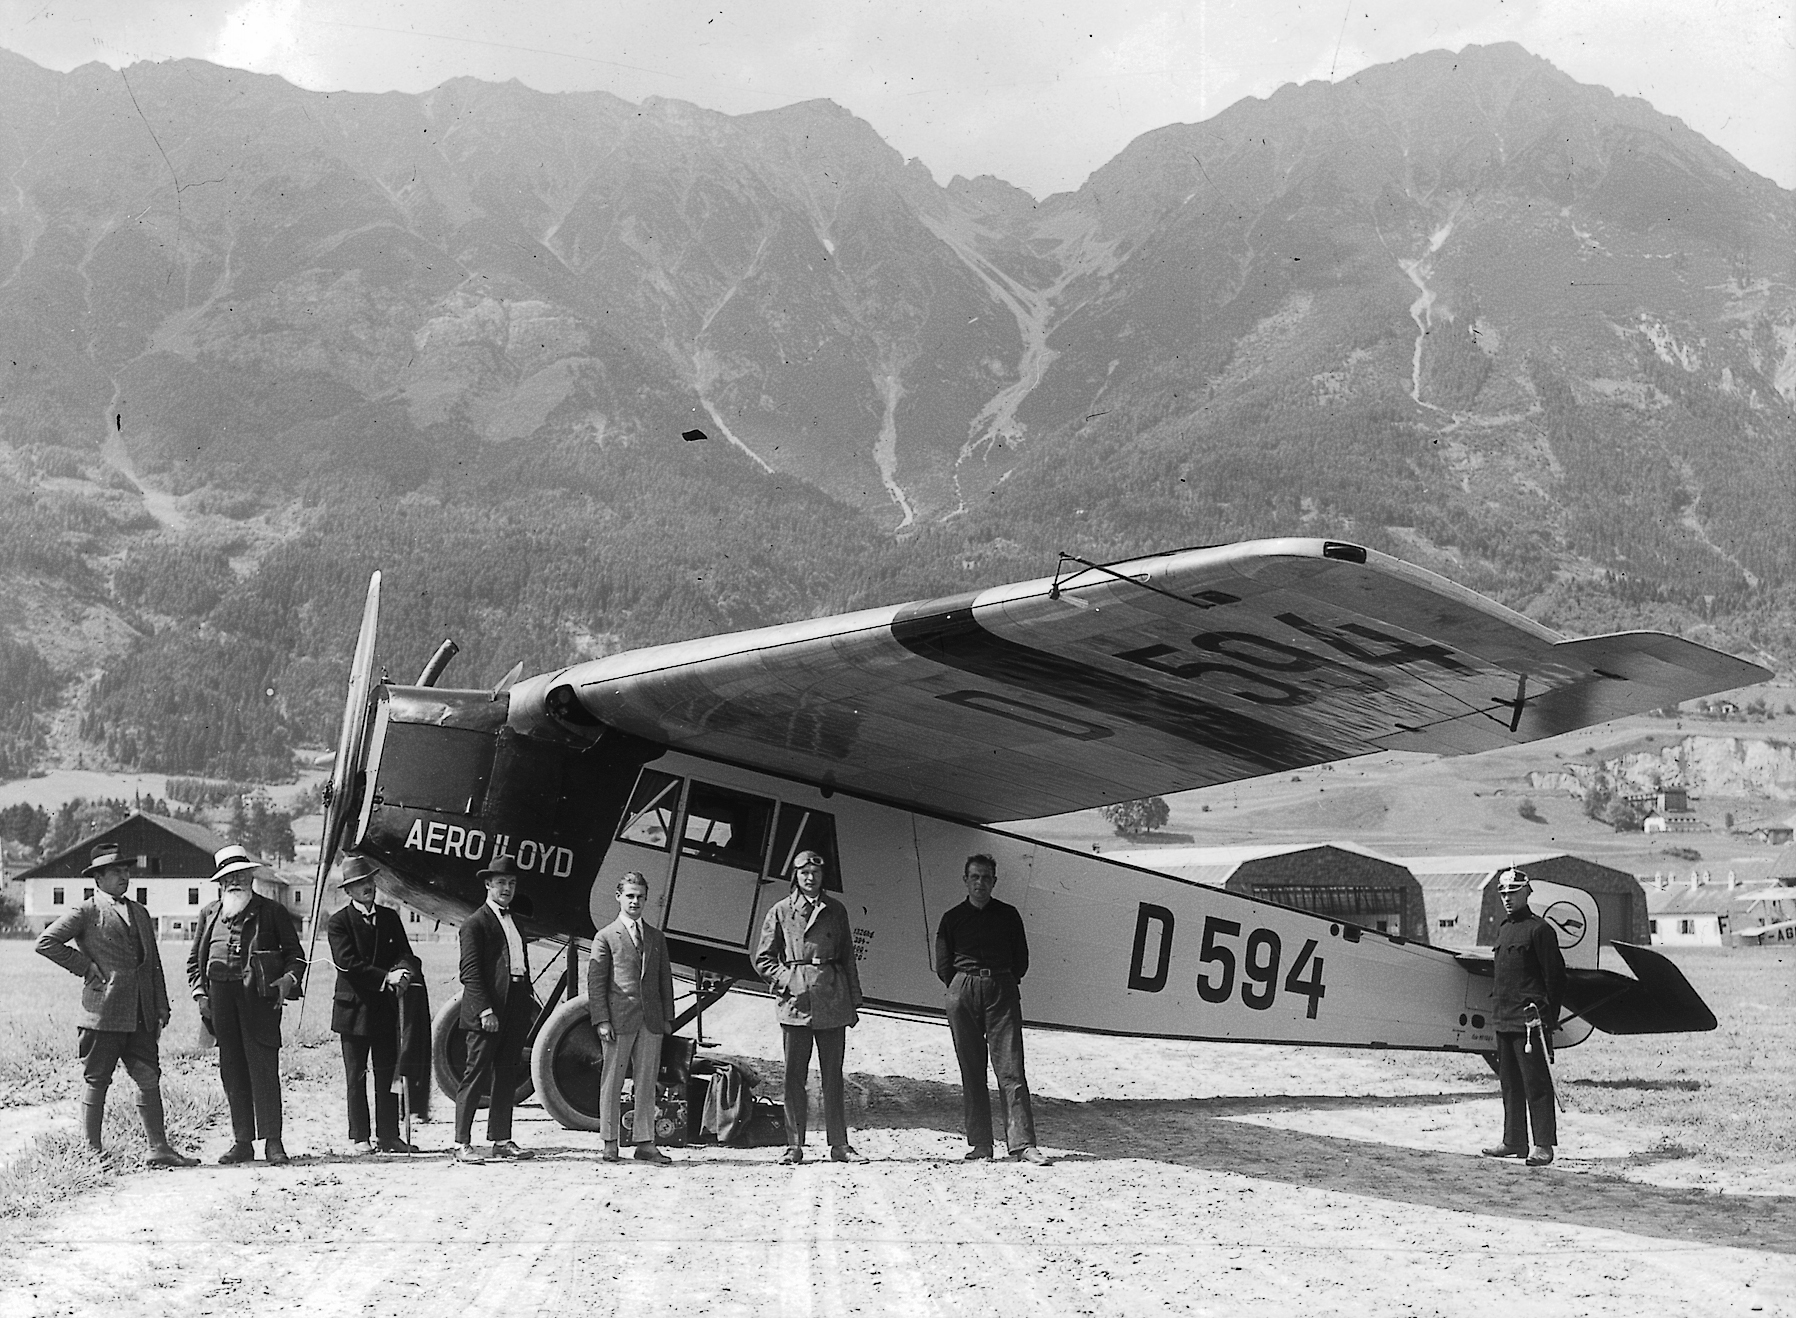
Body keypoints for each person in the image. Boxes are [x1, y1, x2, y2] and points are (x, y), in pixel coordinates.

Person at [35, 843, 200, 1168]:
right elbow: (46, 942)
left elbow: (153, 964)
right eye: (116, 872)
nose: (124, 877)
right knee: (97, 1079)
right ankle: (92, 1152)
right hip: (103, 1014)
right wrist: (85, 966)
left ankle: (158, 1148)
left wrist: (161, 1007)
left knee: (149, 1077)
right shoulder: (85, 912)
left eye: (126, 871)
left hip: (141, 1014)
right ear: (98, 877)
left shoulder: (139, 912)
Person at [187, 844, 305, 1166]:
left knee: (263, 1070)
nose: (235, 882)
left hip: (259, 1000)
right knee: (233, 1070)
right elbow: (193, 963)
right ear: (220, 883)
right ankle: (242, 1142)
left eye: (241, 875)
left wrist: (288, 980)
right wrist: (200, 994)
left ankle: (273, 1143)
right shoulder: (209, 914)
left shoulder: (272, 912)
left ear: (252, 877)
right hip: (220, 1002)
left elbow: (296, 956)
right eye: (229, 877)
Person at [751, 848, 867, 1165]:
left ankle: (839, 1145)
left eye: (815, 873)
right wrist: (789, 981)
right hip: (795, 1004)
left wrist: (853, 998)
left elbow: (847, 958)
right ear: (796, 876)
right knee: (793, 1078)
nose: (810, 877)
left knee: (833, 1077)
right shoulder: (780, 911)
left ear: (822, 876)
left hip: (831, 1000)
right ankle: (793, 1145)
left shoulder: (836, 910)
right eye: (804, 873)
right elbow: (762, 958)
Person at [934, 853, 1050, 1165]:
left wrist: (1002, 981)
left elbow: (1020, 959)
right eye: (975, 877)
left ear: (994, 882)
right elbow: (942, 964)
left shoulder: (1009, 916)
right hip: (963, 991)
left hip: (1001, 990)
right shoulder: (952, 918)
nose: (980, 883)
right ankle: (981, 1144)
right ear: (965, 880)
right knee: (972, 1070)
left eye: (986, 878)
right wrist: (963, 986)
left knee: (1011, 1069)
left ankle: (1023, 1143)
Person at [325, 855, 421, 1155]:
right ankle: (360, 1137)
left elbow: (407, 953)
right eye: (358, 884)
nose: (366, 887)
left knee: (387, 1074)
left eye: (369, 881)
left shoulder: (390, 918)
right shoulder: (338, 922)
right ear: (348, 890)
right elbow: (348, 963)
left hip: (385, 1010)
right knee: (356, 1076)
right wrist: (386, 977)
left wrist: (405, 970)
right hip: (352, 1011)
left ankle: (389, 1135)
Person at [453, 855, 538, 1165]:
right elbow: (470, 974)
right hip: (488, 1007)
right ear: (487, 884)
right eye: (501, 882)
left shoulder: (514, 920)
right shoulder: (474, 923)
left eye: (512, 883)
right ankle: (462, 1143)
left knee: (506, 1073)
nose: (507, 888)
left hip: (515, 1003)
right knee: (475, 1074)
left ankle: (501, 1140)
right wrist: (485, 1010)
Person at [587, 871, 677, 1165]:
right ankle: (610, 1142)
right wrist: (601, 1019)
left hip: (650, 1022)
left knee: (647, 1082)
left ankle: (645, 1142)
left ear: (646, 899)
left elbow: (665, 979)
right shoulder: (605, 937)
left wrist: (667, 1019)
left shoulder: (655, 937)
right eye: (630, 896)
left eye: (640, 896)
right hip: (619, 1021)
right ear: (619, 898)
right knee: (611, 1081)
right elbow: (596, 983)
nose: (635, 901)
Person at [1482, 867, 1567, 1167]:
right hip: (1504, 1018)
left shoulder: (1540, 930)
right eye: (1503, 893)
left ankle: (1543, 1145)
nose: (1507, 898)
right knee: (1510, 1083)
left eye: (1513, 892)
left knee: (1536, 1085)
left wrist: (1547, 1019)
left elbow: (1555, 978)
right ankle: (1513, 1141)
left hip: (1530, 1023)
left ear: (1527, 893)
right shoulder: (1505, 929)